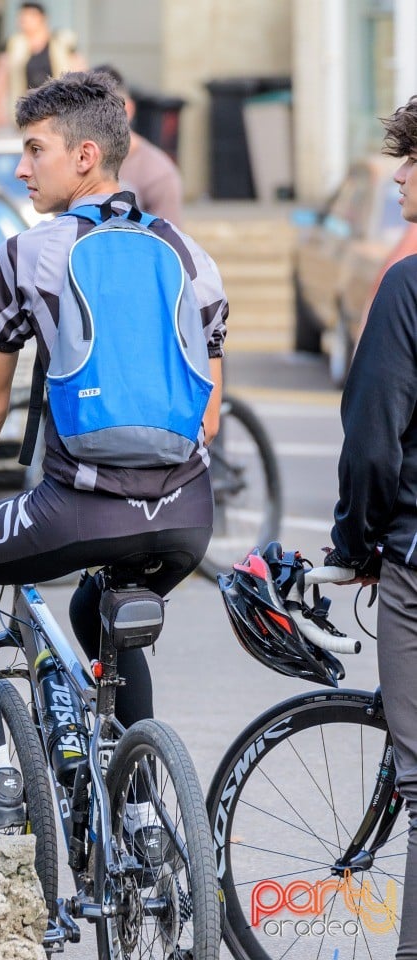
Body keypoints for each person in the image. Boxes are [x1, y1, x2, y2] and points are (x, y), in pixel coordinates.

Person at [0, 70, 227, 833]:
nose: (22, 168)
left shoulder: (27, 255)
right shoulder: (192, 258)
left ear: (85, 156)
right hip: (187, 514)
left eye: (34, 150)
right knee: (99, 602)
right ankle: (145, 807)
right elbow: (208, 417)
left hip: (78, 506)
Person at [325, 94, 417, 959]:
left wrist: (358, 542)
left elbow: (372, 443)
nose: (397, 174)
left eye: (412, 158)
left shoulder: (408, 283)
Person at [93, 64, 184, 226]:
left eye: (107, 111)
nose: (96, 121)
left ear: (128, 109)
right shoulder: (71, 164)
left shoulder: (158, 174)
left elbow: (167, 244)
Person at [0, 2, 85, 127]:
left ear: (42, 18)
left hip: (58, 111)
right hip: (26, 112)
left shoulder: (61, 42)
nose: (24, 21)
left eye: (30, 16)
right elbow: (0, 79)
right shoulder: (13, 45)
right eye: (22, 17)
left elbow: (80, 71)